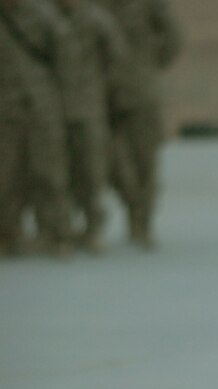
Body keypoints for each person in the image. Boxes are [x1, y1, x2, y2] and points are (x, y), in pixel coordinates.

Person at [96, 0, 182, 247]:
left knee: (145, 160)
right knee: (107, 160)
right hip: (103, 92)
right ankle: (130, 202)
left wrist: (148, 65)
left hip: (140, 91)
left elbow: (173, 39)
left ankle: (141, 222)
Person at [0, 0, 72, 256]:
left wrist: (68, 103)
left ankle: (57, 234)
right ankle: (8, 234)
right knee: (6, 175)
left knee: (50, 172)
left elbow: (66, 58)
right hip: (5, 112)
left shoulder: (43, 15)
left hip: (43, 107)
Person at [54, 0, 126, 252]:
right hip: (53, 109)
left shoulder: (96, 19)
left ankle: (93, 228)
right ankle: (61, 232)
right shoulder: (45, 17)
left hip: (89, 107)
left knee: (92, 171)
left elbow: (116, 56)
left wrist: (105, 90)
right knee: (55, 174)